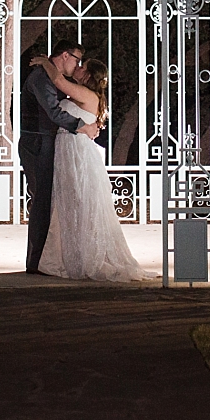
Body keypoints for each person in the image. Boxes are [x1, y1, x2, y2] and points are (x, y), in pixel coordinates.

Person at [31, 54, 149, 282]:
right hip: (67, 149)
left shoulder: (87, 95)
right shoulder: (80, 94)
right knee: (68, 203)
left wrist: (45, 62)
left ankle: (84, 255)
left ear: (87, 75)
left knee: (79, 202)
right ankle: (67, 254)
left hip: (77, 151)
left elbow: (59, 82)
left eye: (82, 66)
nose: (78, 67)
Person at [17, 42, 99, 274]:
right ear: (65, 55)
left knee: (49, 201)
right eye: (77, 60)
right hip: (37, 143)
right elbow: (53, 112)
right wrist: (83, 126)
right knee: (42, 201)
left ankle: (46, 258)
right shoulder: (41, 78)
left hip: (47, 143)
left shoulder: (50, 76)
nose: (78, 65)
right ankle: (36, 262)